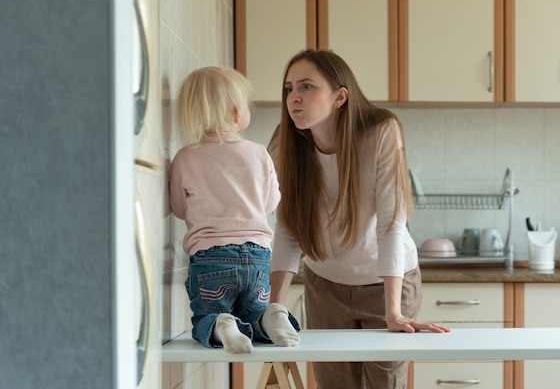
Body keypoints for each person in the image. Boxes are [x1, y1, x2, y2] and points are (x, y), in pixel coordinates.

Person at [268, 50, 450, 388]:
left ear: (340, 96)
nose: (294, 97)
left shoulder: (381, 131)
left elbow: (391, 224)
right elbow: (288, 228)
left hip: (387, 286)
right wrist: (274, 308)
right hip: (324, 286)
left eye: (307, 86)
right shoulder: (285, 142)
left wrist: (393, 313)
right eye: (289, 88)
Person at [169, 66, 301, 354]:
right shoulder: (258, 153)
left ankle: (220, 324)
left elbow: (178, 209)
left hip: (210, 258)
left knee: (207, 317)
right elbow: (270, 203)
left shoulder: (185, 157)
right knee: (253, 317)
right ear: (236, 113)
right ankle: (272, 315)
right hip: (257, 255)